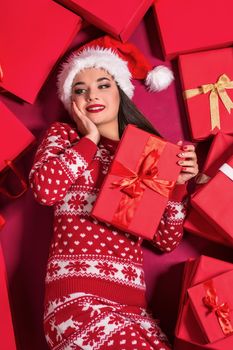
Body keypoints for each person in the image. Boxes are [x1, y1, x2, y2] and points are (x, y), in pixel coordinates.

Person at [29, 35, 198, 350]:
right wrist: (89, 139)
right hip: (76, 300)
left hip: (134, 307)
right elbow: (44, 189)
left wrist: (178, 184)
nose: (92, 94)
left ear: (121, 92)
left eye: (103, 84)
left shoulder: (147, 151)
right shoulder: (63, 136)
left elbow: (165, 240)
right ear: (71, 101)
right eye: (80, 89)